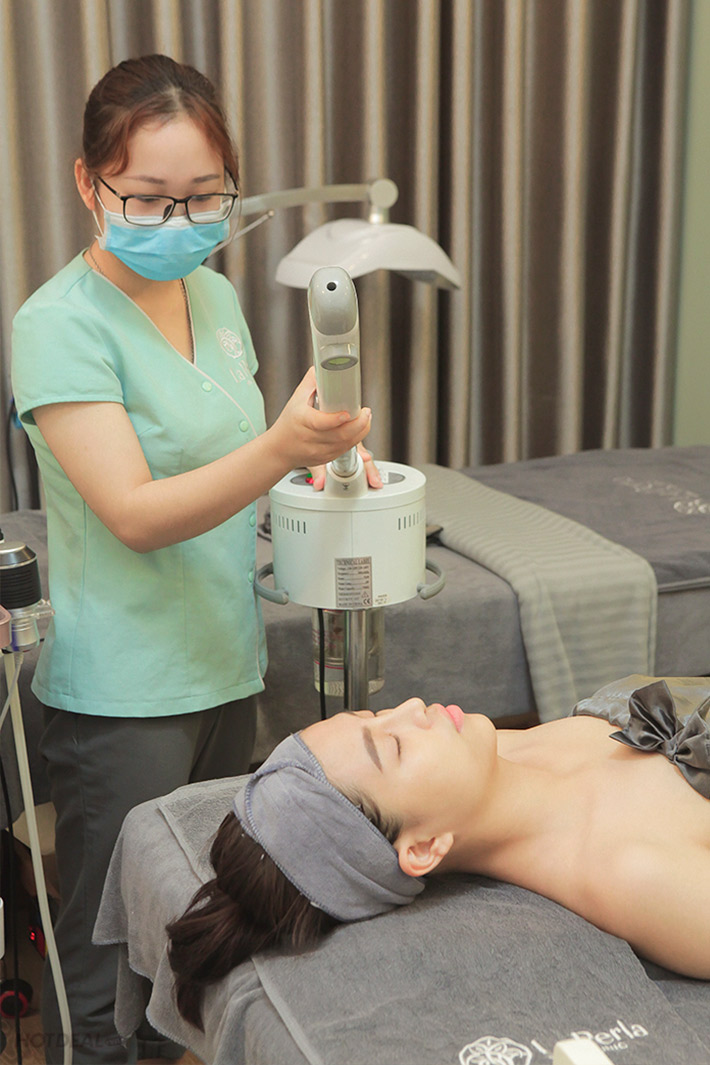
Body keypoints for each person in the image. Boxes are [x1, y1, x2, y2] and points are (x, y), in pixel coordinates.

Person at [11, 54, 379, 1064]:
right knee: (108, 971)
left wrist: (316, 460)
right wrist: (279, 449)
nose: (178, 222)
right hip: (126, 691)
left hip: (226, 659)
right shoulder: (56, 326)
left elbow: (232, 466)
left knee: (191, 932)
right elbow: (133, 512)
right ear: (88, 182)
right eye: (147, 197)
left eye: (205, 197)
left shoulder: (212, 297)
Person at [166, 676, 710, 1031]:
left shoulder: (497, 754)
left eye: (373, 714)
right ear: (424, 848)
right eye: (394, 746)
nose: (409, 708)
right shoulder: (637, 874)